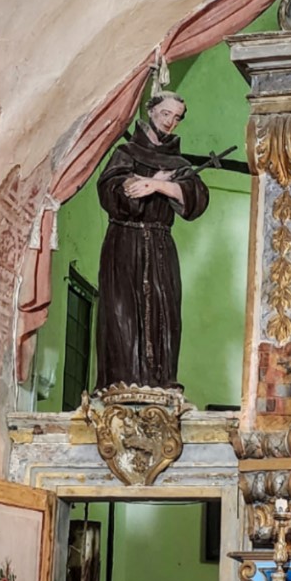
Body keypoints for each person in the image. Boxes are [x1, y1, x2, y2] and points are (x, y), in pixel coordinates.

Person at [95, 91, 209, 389]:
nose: (170, 121)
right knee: (123, 316)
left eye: (176, 117)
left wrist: (158, 184)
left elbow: (195, 197)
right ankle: (121, 384)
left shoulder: (179, 163)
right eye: (165, 114)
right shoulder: (126, 153)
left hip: (160, 246)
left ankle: (160, 383)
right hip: (124, 242)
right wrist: (136, 185)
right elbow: (111, 188)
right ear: (151, 111)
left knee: (163, 314)